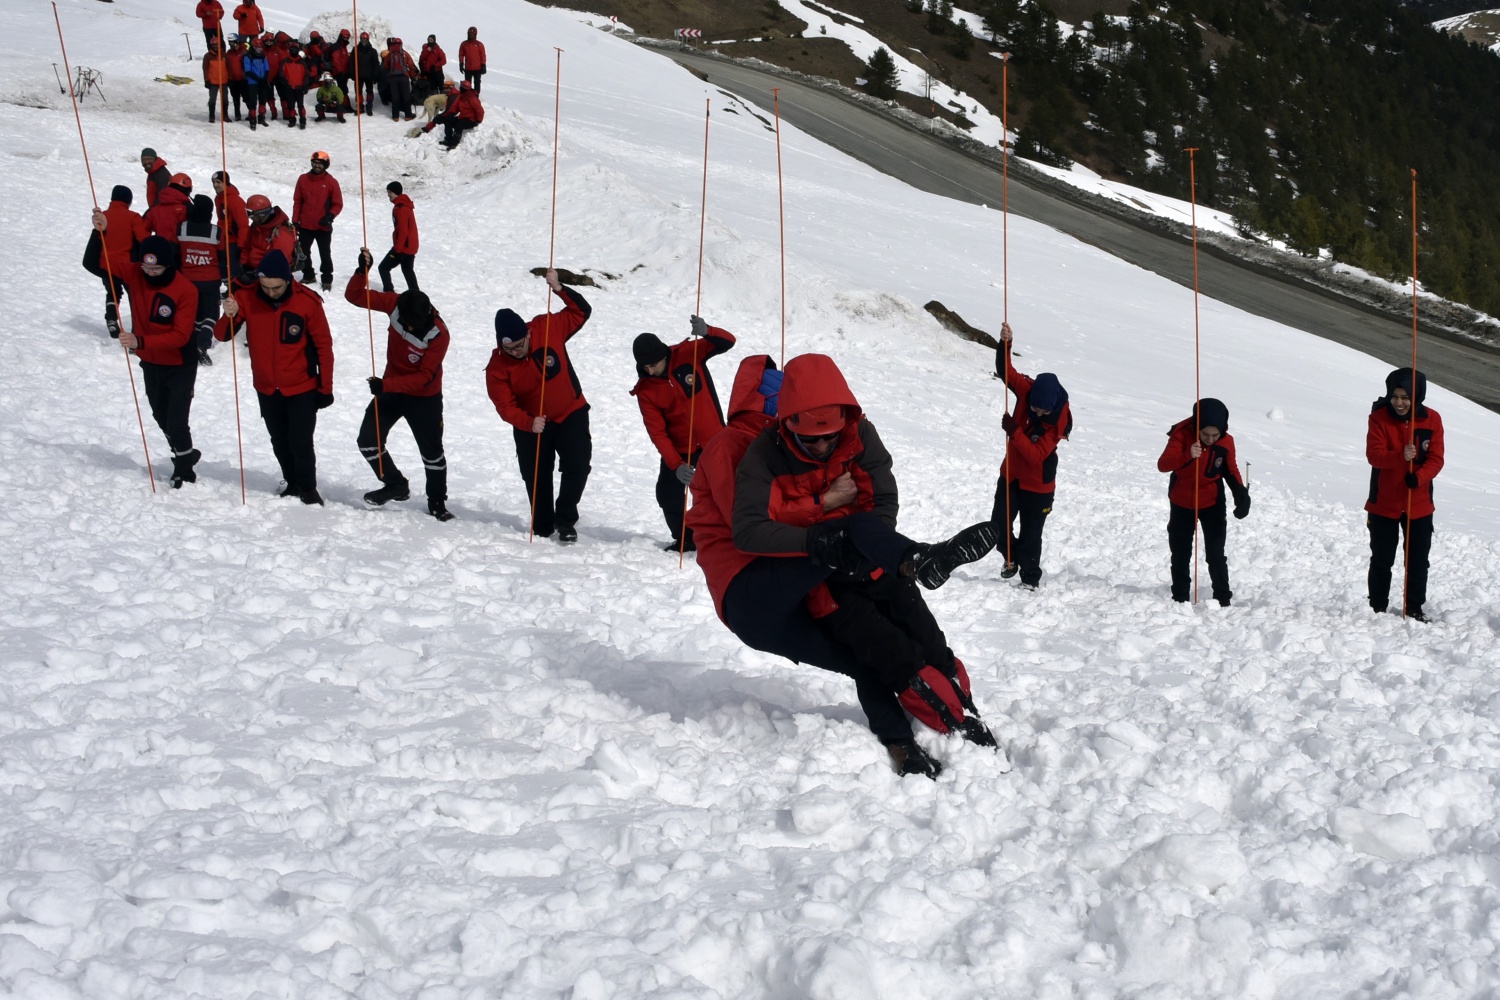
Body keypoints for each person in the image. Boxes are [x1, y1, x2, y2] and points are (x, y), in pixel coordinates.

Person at [688, 353, 1001, 777]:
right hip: (749, 585)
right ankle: (918, 559)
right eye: (793, 419)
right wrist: (827, 505)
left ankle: (902, 745)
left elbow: (872, 500)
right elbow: (753, 529)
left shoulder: (817, 442)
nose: (816, 442)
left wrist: (858, 547)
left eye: (824, 429)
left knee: (865, 654)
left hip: (798, 574)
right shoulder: (739, 447)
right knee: (854, 540)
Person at [215, 249, 334, 504]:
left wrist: (326, 388)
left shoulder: (307, 302)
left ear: (288, 280)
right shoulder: (246, 298)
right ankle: (291, 483)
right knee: (279, 440)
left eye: (276, 287)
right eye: (266, 286)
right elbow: (222, 335)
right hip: (267, 388)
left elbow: (324, 347)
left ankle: (308, 488)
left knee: (301, 442)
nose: (270, 292)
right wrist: (229, 313)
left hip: (301, 386)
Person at [90, 220, 202, 488]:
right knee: (160, 417)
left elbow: (180, 336)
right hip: (151, 363)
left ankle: (184, 470)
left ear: (169, 265)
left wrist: (139, 340)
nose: (149, 273)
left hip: (180, 363)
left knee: (176, 421)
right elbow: (97, 262)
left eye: (156, 268)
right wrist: (99, 232)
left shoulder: (186, 290)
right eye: (145, 267)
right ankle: (185, 454)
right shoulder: (134, 273)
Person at [485, 269, 594, 542]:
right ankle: (543, 527)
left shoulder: (547, 327)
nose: (515, 352)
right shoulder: (497, 367)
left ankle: (566, 519)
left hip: (570, 413)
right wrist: (527, 423)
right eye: (508, 349)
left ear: (527, 333)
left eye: (519, 346)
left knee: (577, 466)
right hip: (532, 425)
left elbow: (581, 312)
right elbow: (504, 406)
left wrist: (559, 288)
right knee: (536, 476)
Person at [347, 249, 452, 520]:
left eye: (412, 323)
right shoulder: (395, 304)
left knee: (432, 454)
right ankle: (395, 484)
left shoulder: (438, 334)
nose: (408, 326)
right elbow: (355, 296)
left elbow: (424, 377)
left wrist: (386, 385)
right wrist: (362, 271)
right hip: (391, 391)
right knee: (368, 441)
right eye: (405, 322)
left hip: (423, 398)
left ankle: (437, 501)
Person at [629, 315, 736, 551]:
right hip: (680, 450)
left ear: (663, 354)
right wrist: (676, 465)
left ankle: (730, 536)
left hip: (714, 442)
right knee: (668, 494)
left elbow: (728, 341)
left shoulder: (689, 353)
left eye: (654, 364)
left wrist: (708, 331)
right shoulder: (646, 390)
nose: (651, 370)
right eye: (645, 367)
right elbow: (657, 433)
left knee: (724, 492)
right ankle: (685, 538)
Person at [990, 321, 1071, 588]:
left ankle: (1030, 579)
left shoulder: (1060, 419)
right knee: (998, 525)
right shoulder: (1027, 389)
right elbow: (1005, 371)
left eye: (1042, 412)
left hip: (1038, 485)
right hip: (1011, 475)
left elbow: (1036, 455)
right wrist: (1006, 343)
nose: (1037, 414)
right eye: (1034, 409)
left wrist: (1015, 431)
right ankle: (1010, 557)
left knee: (1031, 534)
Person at [1365, 368, 1444, 622]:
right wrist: (1401, 456)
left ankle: (1413, 608)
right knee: (1382, 559)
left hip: (1419, 505)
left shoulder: (1432, 420)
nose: (1399, 402)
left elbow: (1436, 459)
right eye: (1395, 396)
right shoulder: (1379, 418)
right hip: (1384, 504)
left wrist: (1419, 477)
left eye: (1405, 397)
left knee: (1418, 562)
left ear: (1416, 397)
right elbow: (1374, 455)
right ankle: (1377, 607)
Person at [1157, 398, 1250, 606]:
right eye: (1205, 434)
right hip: (1182, 502)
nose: (1210, 439)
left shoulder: (1226, 442)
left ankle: (1223, 599)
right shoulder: (1181, 436)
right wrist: (1187, 455)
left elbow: (1230, 468)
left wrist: (1240, 494)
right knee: (1181, 554)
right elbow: (1163, 464)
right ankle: (1180, 598)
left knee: (1216, 555)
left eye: (1215, 435)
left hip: (1212, 503)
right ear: (1196, 427)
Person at [82, 184, 147, 338]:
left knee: (113, 292)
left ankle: (111, 318)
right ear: (128, 201)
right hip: (127, 267)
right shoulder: (133, 217)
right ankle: (136, 334)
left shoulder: (102, 216)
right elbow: (144, 239)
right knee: (135, 299)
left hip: (106, 265)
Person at [177, 194, 224, 365]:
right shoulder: (216, 231)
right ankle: (202, 343)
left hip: (187, 280)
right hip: (210, 280)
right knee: (211, 313)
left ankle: (192, 340)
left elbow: (176, 252)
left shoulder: (181, 228)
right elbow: (223, 256)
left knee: (195, 313)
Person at [292, 150, 342, 292]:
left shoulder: (331, 182)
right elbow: (298, 201)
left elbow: (338, 203)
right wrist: (295, 221)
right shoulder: (302, 179)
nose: (316, 166)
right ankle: (308, 275)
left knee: (325, 254)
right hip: (305, 225)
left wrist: (330, 216)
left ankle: (327, 279)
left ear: (325, 165)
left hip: (323, 227)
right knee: (304, 252)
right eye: (314, 163)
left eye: (320, 163)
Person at [240, 193, 295, 282]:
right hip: (253, 271)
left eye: (251, 214)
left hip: (270, 277)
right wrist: (244, 264)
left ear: (261, 214)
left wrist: (258, 273)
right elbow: (247, 246)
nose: (250, 218)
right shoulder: (256, 226)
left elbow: (279, 261)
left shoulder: (281, 233)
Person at [378, 181, 418, 292]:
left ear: (396, 192)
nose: (388, 195)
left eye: (390, 192)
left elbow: (403, 231)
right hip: (410, 247)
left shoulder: (401, 208)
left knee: (383, 268)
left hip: (403, 247)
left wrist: (397, 249)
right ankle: (416, 294)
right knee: (407, 270)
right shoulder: (404, 205)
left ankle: (389, 292)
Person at [422, 79, 482, 149]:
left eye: (461, 87)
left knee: (459, 125)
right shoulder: (462, 97)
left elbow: (479, 110)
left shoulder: (472, 98)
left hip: (471, 119)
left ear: (464, 89)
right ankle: (448, 139)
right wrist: (446, 116)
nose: (460, 88)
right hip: (463, 117)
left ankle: (454, 143)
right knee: (448, 121)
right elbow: (455, 108)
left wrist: (478, 120)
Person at [212, 169, 249, 280]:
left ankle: (236, 292)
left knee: (235, 270)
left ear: (225, 183)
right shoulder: (219, 199)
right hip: (223, 240)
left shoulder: (235, 201)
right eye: (213, 182)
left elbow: (243, 225)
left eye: (218, 182)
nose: (215, 185)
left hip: (233, 242)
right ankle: (229, 289)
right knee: (223, 268)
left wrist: (241, 246)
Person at [145, 173, 192, 247]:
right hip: (180, 253)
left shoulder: (154, 209)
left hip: (159, 251)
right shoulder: (187, 209)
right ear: (187, 190)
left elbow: (143, 229)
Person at [382, 37, 417, 121]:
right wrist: (412, 77)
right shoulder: (404, 54)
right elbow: (411, 65)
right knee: (406, 96)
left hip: (393, 78)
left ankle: (395, 116)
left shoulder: (390, 54)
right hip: (404, 77)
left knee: (395, 96)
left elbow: (386, 66)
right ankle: (408, 115)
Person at [279, 45, 311, 128]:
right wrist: (285, 81)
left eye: (295, 49)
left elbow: (306, 75)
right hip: (289, 87)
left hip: (299, 87)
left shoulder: (302, 62)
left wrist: (305, 85)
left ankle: (302, 121)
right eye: (292, 49)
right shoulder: (285, 61)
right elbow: (281, 73)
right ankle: (292, 120)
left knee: (300, 105)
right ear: (289, 50)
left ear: (298, 50)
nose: (294, 51)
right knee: (291, 105)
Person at [243, 37, 270, 129]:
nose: (260, 49)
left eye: (260, 47)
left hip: (262, 81)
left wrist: (264, 78)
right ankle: (252, 119)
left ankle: (261, 117)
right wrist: (257, 78)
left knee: (263, 100)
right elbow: (248, 71)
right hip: (253, 82)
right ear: (254, 47)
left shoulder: (263, 56)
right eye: (258, 47)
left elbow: (267, 68)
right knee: (253, 101)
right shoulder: (248, 57)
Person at [202, 38, 229, 122]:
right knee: (212, 99)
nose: (215, 47)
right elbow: (205, 69)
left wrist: (230, 79)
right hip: (213, 82)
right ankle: (212, 116)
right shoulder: (207, 56)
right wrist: (206, 80)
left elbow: (229, 68)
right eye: (214, 45)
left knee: (225, 99)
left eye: (217, 45)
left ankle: (225, 115)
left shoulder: (224, 55)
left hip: (224, 81)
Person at [354, 32, 379, 116]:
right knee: (358, 92)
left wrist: (375, 75)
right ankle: (360, 106)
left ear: (368, 40)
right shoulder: (356, 50)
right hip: (358, 75)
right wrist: (352, 73)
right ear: (360, 39)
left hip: (369, 75)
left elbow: (376, 64)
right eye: (362, 39)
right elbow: (351, 62)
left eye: (365, 39)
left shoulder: (372, 51)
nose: (364, 41)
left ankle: (369, 107)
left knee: (369, 91)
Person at [224, 38, 247, 121]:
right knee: (235, 98)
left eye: (233, 42)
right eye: (230, 43)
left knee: (246, 97)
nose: (231, 44)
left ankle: (251, 113)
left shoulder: (243, 51)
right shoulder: (229, 53)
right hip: (232, 79)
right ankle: (237, 114)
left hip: (243, 79)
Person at [458, 26, 485, 94]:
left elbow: (483, 55)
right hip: (468, 68)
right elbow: (461, 54)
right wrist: (461, 64)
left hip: (477, 68)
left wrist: (483, 65)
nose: (471, 35)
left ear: (475, 34)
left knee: (477, 83)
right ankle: (467, 97)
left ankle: (476, 97)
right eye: (469, 33)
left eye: (472, 34)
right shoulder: (464, 44)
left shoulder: (479, 44)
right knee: (467, 84)